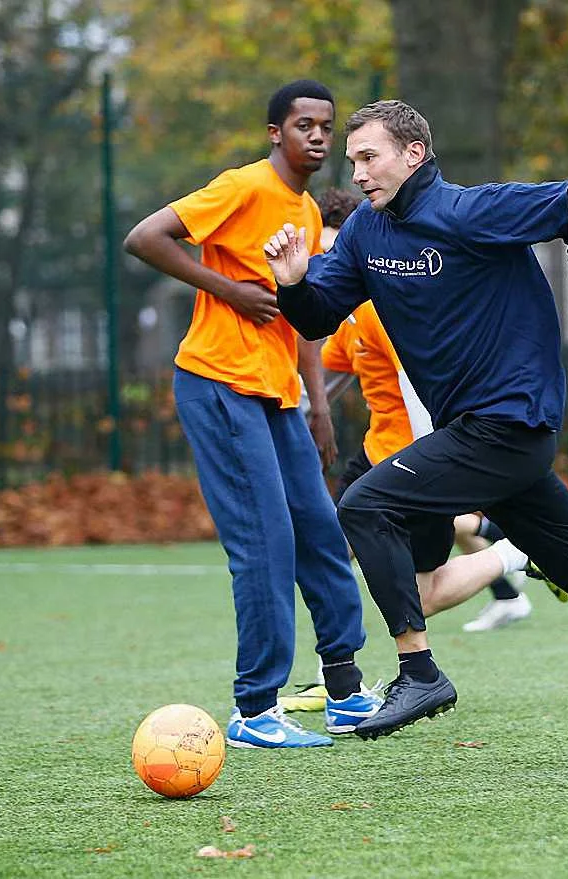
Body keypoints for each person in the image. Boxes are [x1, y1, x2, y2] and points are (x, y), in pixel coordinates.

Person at [261, 99, 568, 750]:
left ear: (413, 154)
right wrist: (291, 283)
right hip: (470, 434)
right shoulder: (365, 231)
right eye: (352, 160)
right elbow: (316, 315)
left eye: (369, 157)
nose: (357, 172)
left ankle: (419, 672)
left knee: (363, 504)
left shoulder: (467, 211)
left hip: (511, 424)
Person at [123, 79, 381, 748]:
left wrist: (318, 404)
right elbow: (145, 237)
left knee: (320, 531)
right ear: (276, 133)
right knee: (266, 542)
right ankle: (256, 709)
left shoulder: (305, 210)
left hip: (279, 396)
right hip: (218, 382)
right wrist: (228, 290)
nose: (317, 136)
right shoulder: (242, 187)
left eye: (325, 126)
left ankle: (345, 691)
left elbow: (302, 314)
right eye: (303, 125)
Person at [317, 188, 552, 634]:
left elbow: (421, 392)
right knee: (327, 551)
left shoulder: (382, 308)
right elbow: (326, 381)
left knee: (419, 594)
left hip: (409, 462)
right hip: (375, 453)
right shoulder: (347, 316)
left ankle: (518, 553)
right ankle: (337, 668)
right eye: (320, 251)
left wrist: (437, 471)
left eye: (332, 250)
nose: (325, 262)